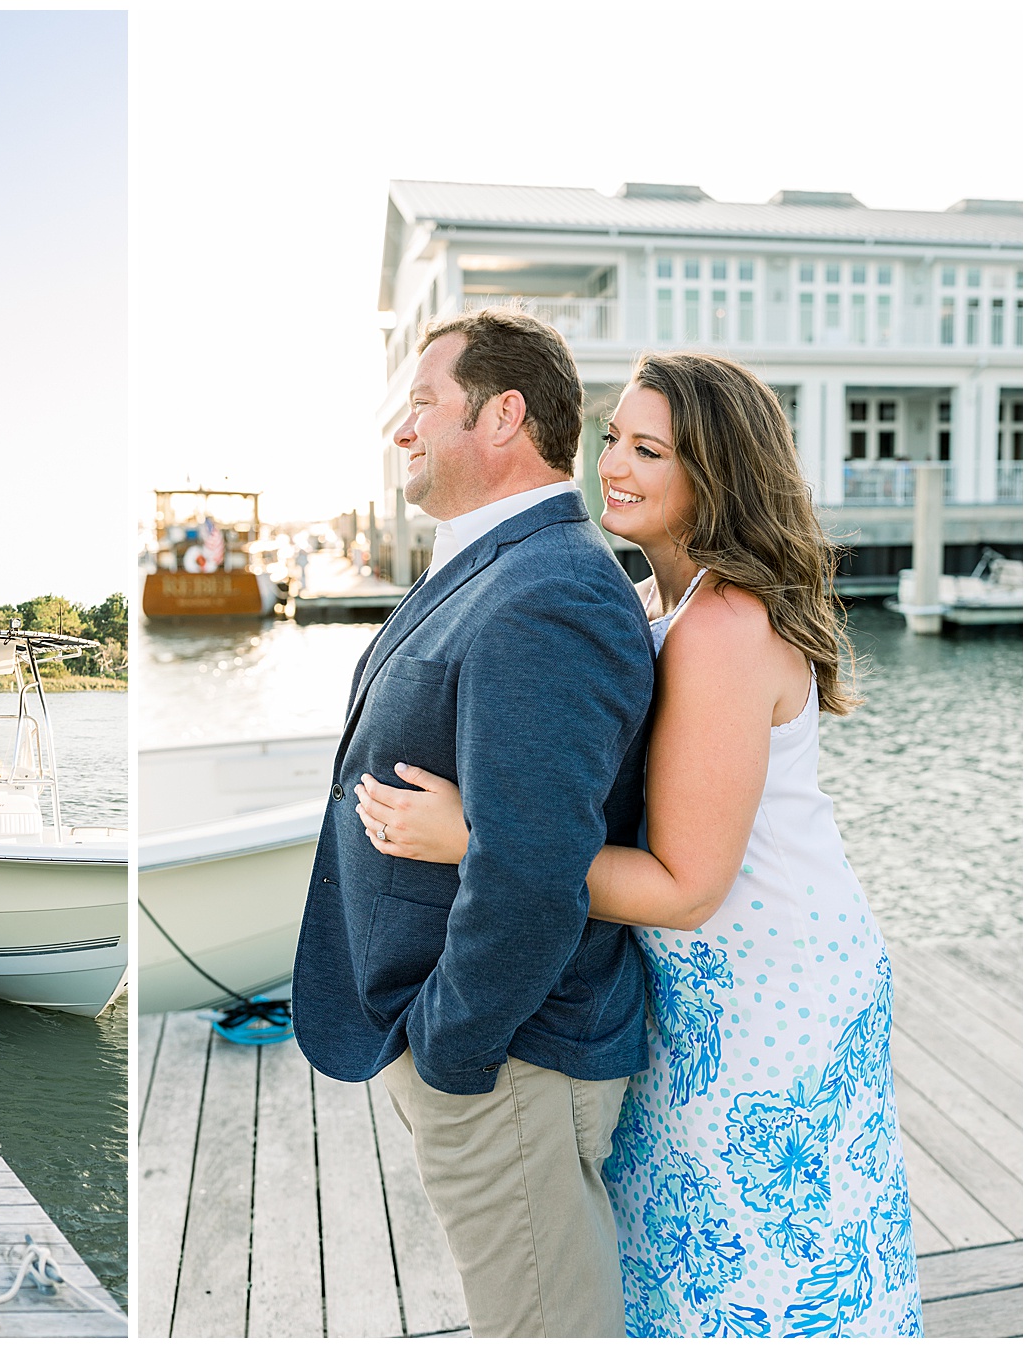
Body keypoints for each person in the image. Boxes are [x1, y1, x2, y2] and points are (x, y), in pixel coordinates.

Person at [354, 351, 923, 1337]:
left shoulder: (723, 625)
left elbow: (686, 885)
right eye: (614, 437)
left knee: (776, 1273)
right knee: (698, 1256)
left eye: (649, 448)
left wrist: (474, 837)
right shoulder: (668, 605)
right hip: (712, 977)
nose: (612, 463)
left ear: (718, 471)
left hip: (766, 981)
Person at [291, 308, 656, 1337]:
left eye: (421, 406)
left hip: (507, 1058)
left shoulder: (551, 590)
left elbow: (537, 868)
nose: (399, 430)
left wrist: (452, 1052)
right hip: (477, 1046)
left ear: (503, 415)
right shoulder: (496, 566)